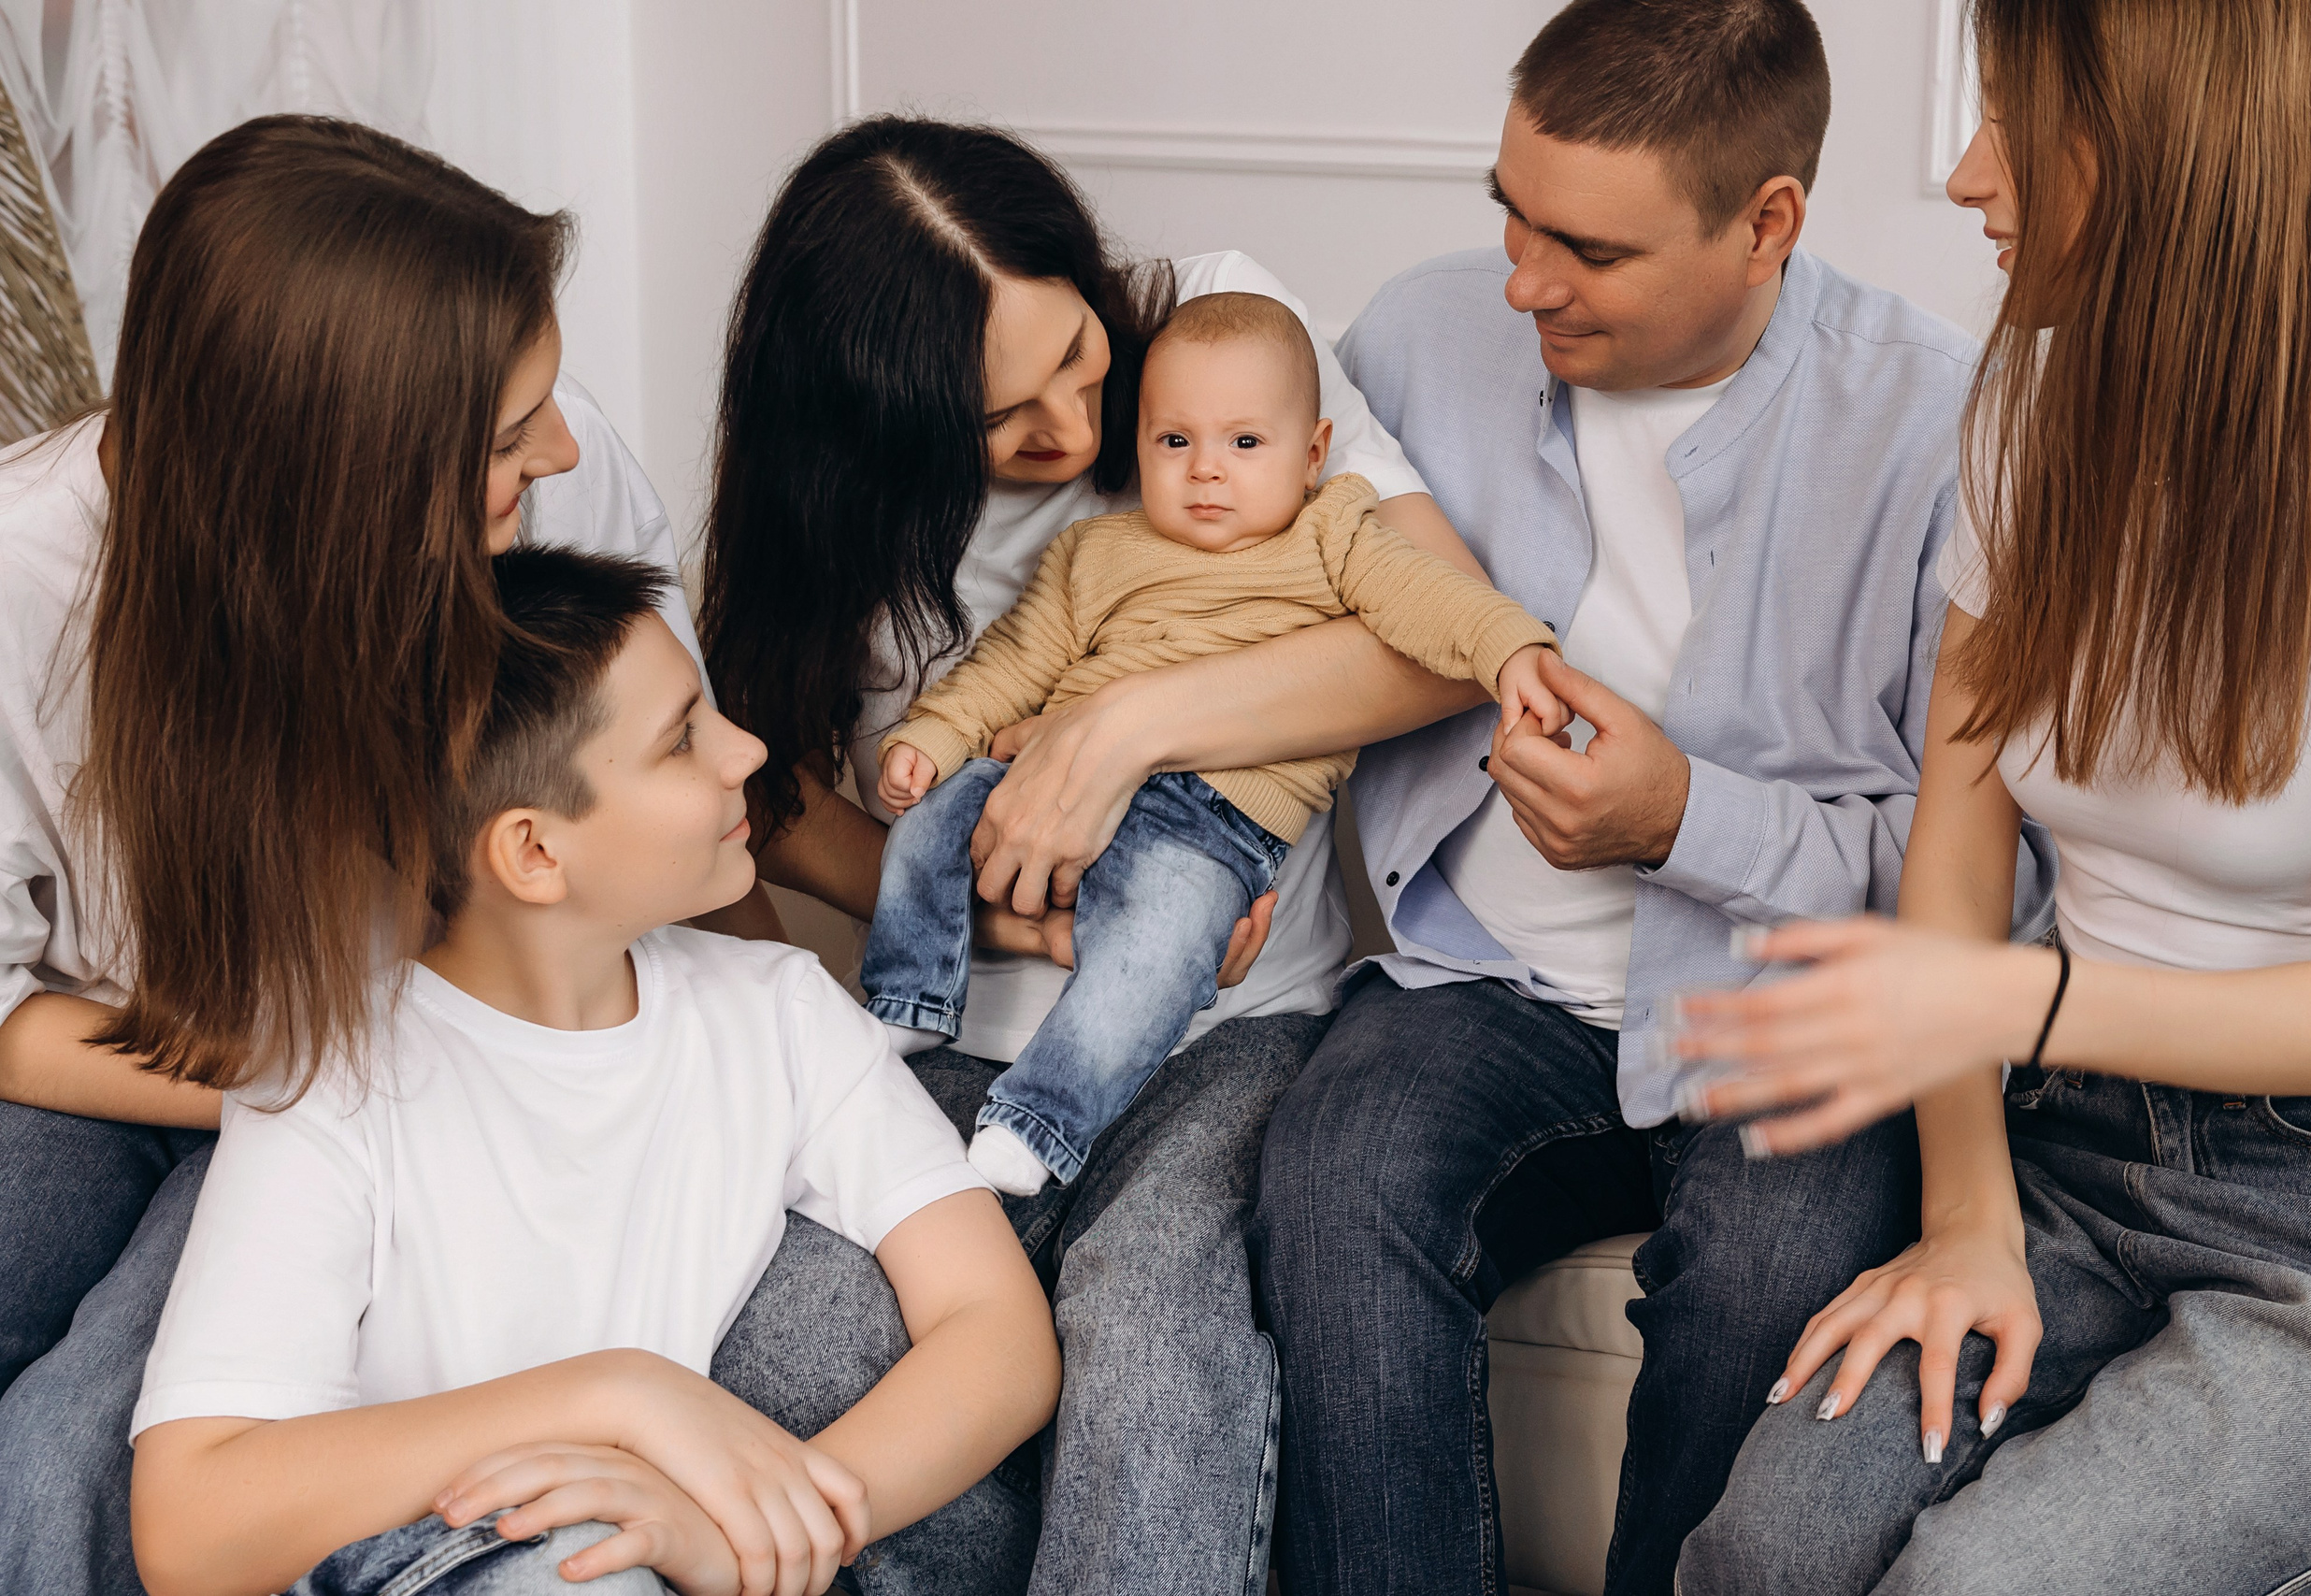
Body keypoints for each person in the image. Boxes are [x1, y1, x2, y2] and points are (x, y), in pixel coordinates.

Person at [0, 116, 1017, 1596]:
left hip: (409, 1049)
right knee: (75, 1447)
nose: (562, 446)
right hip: (155, 1060)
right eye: (501, 436)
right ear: (329, 474)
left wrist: (887, 970)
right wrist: (320, 1081)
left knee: (842, 1327)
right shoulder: (24, 584)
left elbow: (676, 776)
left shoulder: (560, 467)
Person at [1247, 3, 2053, 1592]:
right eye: (1511, 215)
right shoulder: (1413, 338)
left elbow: (1989, 896)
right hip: (1477, 976)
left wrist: (1688, 819)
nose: (1526, 281)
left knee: (1778, 1266)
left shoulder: (1943, 425)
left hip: (1793, 1005)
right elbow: (1214, 382)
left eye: (1592, 253)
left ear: (1768, 226)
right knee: (1331, 1180)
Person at [699, 117, 1497, 1592]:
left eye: (1076, 352)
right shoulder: (831, 518)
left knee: (1147, 1317)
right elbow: (770, 803)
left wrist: (1121, 726)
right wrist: (1004, 915)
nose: (1078, 427)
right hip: (955, 1035)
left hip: (1230, 1018)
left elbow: (1443, 640)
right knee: (788, 1335)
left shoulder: (1213, 342)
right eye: (1006, 421)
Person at [1672, 0, 2311, 1589]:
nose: (1961, 174)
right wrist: (1968, 1212)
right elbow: (1956, 840)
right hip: (2063, 1149)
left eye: (2011, 115)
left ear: (2172, 147)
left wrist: (2005, 990)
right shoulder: (2032, 408)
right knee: (1761, 1552)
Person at [127, 547, 1056, 1596]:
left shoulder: (780, 1014)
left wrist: (761, 1530)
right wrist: (617, 1395)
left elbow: (1000, 1335)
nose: (746, 748)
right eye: (681, 741)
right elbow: (187, 1524)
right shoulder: (333, 1082)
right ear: (532, 854)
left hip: (650, 1556)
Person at [868, 292, 1558, 1196]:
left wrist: (1511, 646)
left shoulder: (1334, 537)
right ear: (1139, 443)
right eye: (1174, 441)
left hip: (1213, 822)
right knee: (930, 820)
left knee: (1156, 952)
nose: (1205, 472)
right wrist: (934, 733)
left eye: (1244, 443)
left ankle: (1040, 1116)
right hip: (1047, 778)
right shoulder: (1096, 552)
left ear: (1312, 454)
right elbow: (1015, 663)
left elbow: (1434, 603)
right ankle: (908, 998)